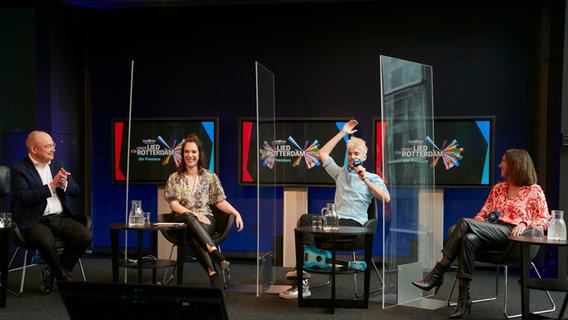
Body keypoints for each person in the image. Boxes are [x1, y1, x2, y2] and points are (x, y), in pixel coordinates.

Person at [411, 148, 549, 319]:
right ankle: (463, 298)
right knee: (469, 238)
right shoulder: (498, 188)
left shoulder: (534, 191)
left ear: (515, 165)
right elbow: (482, 214)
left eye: (503, 161)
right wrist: (478, 225)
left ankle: (439, 271)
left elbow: (545, 220)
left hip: (511, 236)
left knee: (462, 224)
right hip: (490, 231)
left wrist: (525, 222)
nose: (500, 164)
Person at [279, 119, 391, 299]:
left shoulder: (372, 177)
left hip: (355, 227)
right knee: (306, 219)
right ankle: (305, 275)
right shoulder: (340, 173)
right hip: (334, 224)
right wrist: (342, 133)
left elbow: (386, 198)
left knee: (327, 225)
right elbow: (322, 153)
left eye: (356, 154)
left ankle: (309, 265)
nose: (353, 157)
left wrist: (365, 180)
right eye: (350, 154)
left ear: (364, 157)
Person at [10, 130, 92, 295]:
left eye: (53, 145)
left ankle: (51, 272)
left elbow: (75, 191)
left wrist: (64, 184)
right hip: (35, 220)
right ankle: (62, 276)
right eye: (48, 146)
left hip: (60, 218)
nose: (53, 149)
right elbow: (24, 197)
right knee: (46, 242)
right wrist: (52, 186)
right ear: (34, 149)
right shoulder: (19, 168)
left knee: (85, 236)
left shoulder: (57, 163)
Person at [164, 133, 244, 290]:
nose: (190, 155)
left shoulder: (210, 177)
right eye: (186, 152)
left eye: (193, 152)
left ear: (199, 154)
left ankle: (213, 274)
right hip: (182, 222)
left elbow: (219, 201)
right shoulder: (174, 178)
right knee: (188, 216)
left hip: (206, 220)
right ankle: (216, 255)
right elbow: (174, 205)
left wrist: (236, 213)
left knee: (195, 237)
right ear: (182, 154)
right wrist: (195, 215)